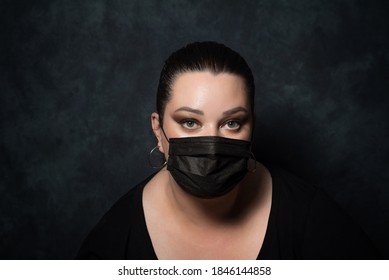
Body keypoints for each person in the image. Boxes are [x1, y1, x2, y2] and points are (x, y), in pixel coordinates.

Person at [77, 41, 380, 259]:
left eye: (232, 123)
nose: (212, 145)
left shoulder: (310, 218)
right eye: (191, 122)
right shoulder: (114, 242)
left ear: (252, 127)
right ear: (158, 129)